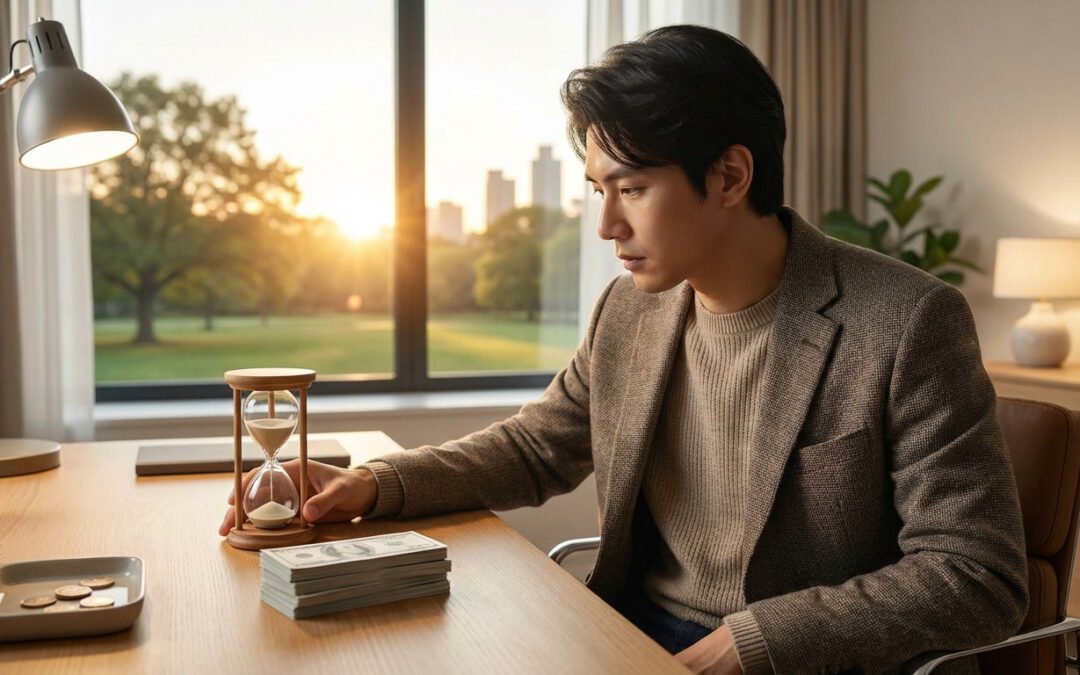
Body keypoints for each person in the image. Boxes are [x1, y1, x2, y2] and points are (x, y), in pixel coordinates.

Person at [221, 25, 1027, 675]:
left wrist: (759, 642)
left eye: (632, 189)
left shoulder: (909, 321)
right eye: (597, 191)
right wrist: (372, 484)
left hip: (797, 657)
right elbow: (540, 446)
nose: (606, 226)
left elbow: (976, 576)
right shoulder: (631, 312)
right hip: (632, 632)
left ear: (731, 175)